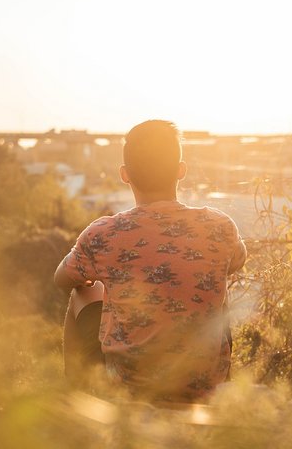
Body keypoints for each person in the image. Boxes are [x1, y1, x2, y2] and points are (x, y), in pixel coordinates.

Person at [54, 120, 247, 402]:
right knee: (217, 285)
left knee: (82, 292)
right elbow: (238, 261)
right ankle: (216, 384)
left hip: (130, 387)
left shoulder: (103, 234)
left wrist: (107, 280)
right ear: (181, 170)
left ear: (124, 174)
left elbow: (61, 278)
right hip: (202, 385)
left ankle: (76, 399)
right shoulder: (219, 226)